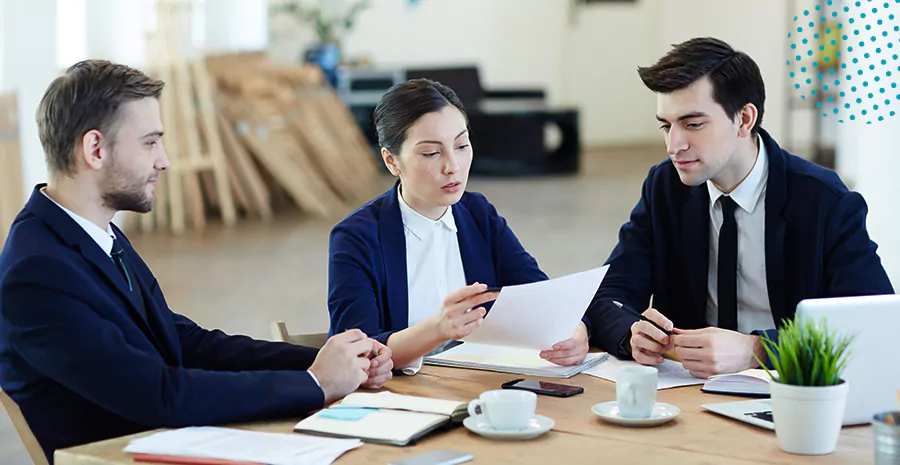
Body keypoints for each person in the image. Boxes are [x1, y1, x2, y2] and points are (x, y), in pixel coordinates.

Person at [0, 60, 393, 462]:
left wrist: (327, 360)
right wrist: (314, 383)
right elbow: (160, 394)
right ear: (95, 149)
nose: (164, 160)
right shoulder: (36, 272)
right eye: (150, 142)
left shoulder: (93, 233)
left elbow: (184, 342)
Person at [586, 37, 894, 378]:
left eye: (692, 124)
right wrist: (631, 333)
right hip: (688, 396)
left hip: (789, 393)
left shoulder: (824, 201)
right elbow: (607, 296)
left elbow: (870, 323)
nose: (674, 145)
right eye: (666, 125)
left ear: (745, 119)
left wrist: (759, 350)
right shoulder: (665, 188)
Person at [327, 78, 591, 373]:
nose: (452, 165)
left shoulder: (478, 214)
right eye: (431, 153)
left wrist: (575, 331)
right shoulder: (356, 237)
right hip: (400, 397)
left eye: (462, 145)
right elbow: (355, 356)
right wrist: (438, 329)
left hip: (483, 387)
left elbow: (538, 295)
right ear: (391, 161)